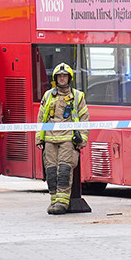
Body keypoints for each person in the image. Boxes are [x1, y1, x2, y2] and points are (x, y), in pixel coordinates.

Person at [36, 63, 89, 215]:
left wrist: (81, 141)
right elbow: (41, 118)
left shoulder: (78, 96)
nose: (62, 78)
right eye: (59, 76)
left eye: (65, 76)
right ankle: (53, 201)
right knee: (51, 172)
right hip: (50, 141)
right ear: (55, 78)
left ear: (69, 78)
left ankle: (62, 203)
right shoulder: (48, 96)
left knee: (64, 171)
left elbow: (85, 119)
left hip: (68, 140)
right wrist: (39, 139)